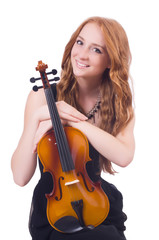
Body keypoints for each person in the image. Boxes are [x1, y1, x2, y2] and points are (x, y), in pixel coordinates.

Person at [11, 16, 135, 240]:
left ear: (110, 61)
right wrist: (36, 118)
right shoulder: (42, 97)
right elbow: (20, 177)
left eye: (96, 49)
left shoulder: (119, 104)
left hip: (98, 203)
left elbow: (124, 156)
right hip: (55, 210)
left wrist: (70, 120)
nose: (82, 54)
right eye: (80, 42)